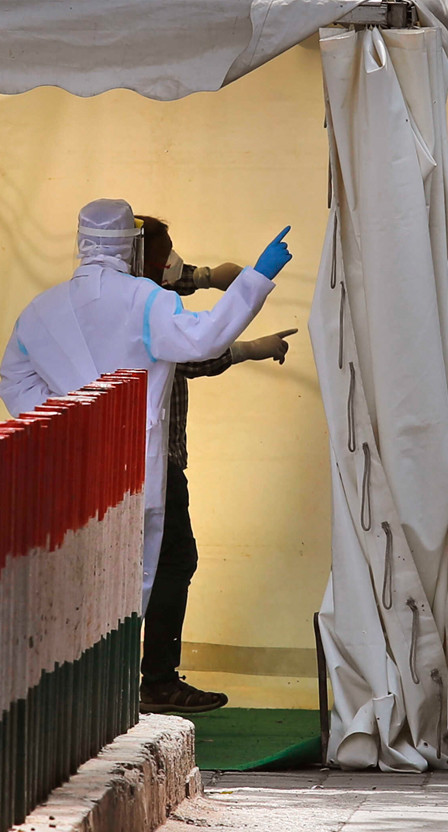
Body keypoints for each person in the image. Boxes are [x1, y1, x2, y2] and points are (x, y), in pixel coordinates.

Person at [0, 199, 292, 616]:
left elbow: (13, 378)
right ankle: (128, 676)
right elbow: (203, 339)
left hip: (66, 467)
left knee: (71, 586)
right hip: (136, 464)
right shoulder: (147, 300)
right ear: (132, 245)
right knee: (128, 584)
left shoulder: (40, 310)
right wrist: (255, 279)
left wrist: (68, 421)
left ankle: (78, 677)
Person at [135, 216, 297, 713]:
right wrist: (249, 347)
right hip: (152, 462)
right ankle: (157, 681)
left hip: (133, 461)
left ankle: (135, 679)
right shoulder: (140, 307)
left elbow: (167, 276)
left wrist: (208, 276)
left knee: (140, 568)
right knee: (171, 561)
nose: (174, 268)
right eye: (165, 258)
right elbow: (190, 351)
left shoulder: (125, 289)